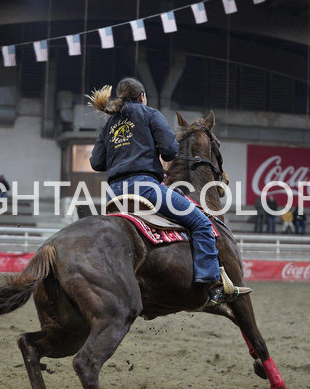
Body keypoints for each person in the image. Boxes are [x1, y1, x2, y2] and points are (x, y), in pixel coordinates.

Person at [87, 77, 227, 305]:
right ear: (142, 96)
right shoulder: (150, 114)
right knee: (202, 223)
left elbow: (96, 163)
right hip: (145, 188)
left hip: (113, 195)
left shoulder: (109, 124)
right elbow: (170, 151)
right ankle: (211, 285)